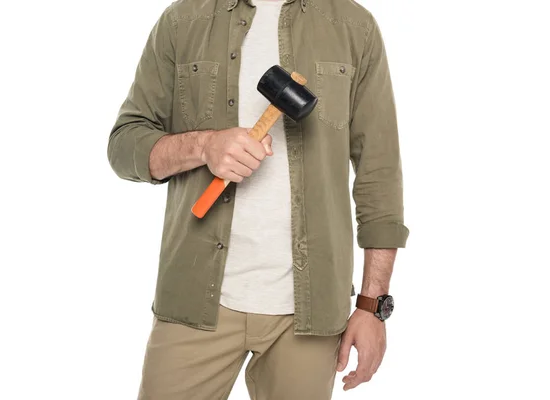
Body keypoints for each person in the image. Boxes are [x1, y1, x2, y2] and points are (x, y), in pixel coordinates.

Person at [107, 0, 409, 398]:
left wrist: (373, 309)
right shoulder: (183, 20)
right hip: (195, 297)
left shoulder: (354, 26)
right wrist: (204, 146)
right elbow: (124, 146)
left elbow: (379, 173)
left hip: (310, 309)